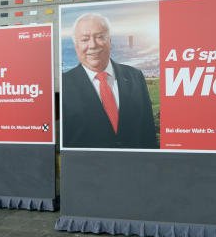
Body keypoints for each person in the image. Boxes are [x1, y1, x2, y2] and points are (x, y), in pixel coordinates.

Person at [61, 13, 157, 148]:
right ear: (76, 45)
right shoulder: (64, 85)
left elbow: (148, 132)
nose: (93, 45)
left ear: (110, 41)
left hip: (135, 161)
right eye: (84, 39)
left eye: (100, 37)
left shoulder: (135, 76)